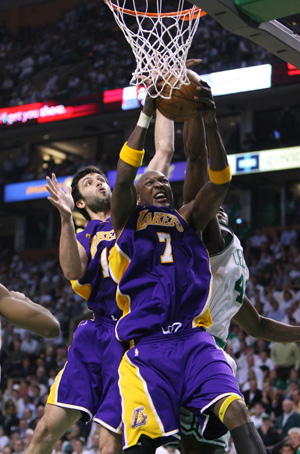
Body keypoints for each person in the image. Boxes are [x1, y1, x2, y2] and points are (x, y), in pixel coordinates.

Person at [109, 73, 267, 454]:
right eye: (152, 182)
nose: (160, 182)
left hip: (195, 338)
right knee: (151, 446)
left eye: (165, 180)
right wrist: (146, 114)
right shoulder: (129, 219)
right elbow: (124, 176)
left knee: (239, 414)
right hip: (148, 345)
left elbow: (220, 181)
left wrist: (210, 120)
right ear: (139, 195)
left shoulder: (190, 219)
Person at [25, 101, 175, 454]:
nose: (100, 183)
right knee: (46, 429)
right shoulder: (85, 233)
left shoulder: (137, 209)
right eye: (90, 182)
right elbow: (73, 270)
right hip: (97, 333)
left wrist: (167, 97)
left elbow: (165, 150)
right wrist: (64, 219)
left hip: (134, 337)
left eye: (101, 178)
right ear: (80, 202)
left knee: (110, 443)